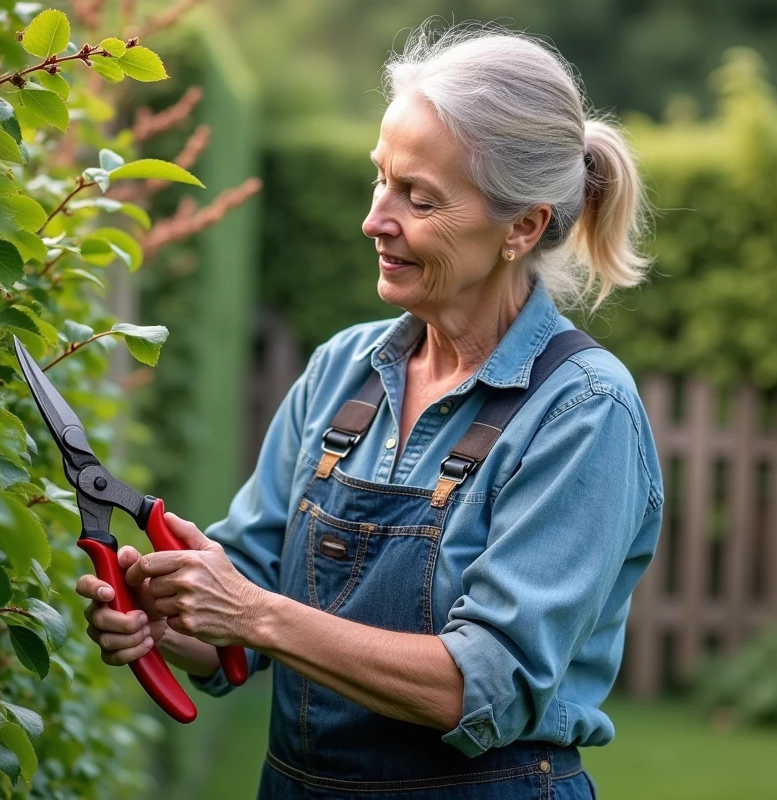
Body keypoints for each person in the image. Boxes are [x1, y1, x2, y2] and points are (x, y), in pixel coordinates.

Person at [76, 20, 664, 800]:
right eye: (381, 179)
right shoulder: (343, 371)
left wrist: (253, 614)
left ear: (521, 227)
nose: (375, 218)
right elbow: (235, 620)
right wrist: (170, 617)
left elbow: (481, 686)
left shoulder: (583, 413)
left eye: (419, 197)